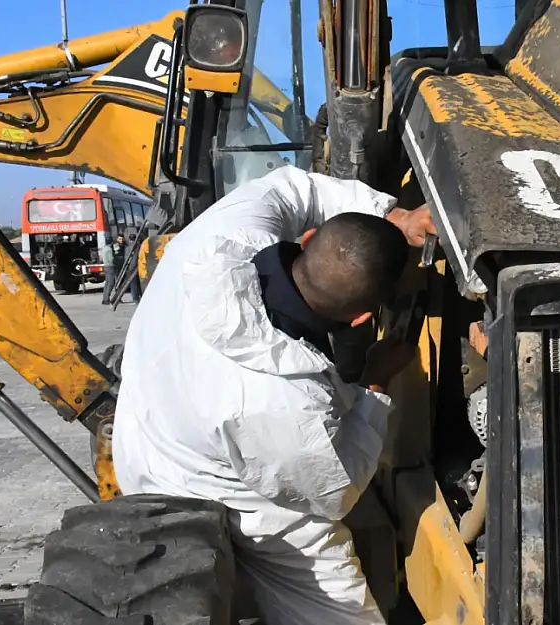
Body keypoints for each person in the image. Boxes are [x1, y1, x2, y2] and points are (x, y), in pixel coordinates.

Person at [112, 165, 436, 625]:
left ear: (306, 242)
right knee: (340, 611)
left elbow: (290, 188)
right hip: (200, 489)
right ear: (364, 319)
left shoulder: (224, 233)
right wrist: (375, 384)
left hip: (149, 426)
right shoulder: (279, 403)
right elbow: (337, 488)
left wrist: (393, 215)